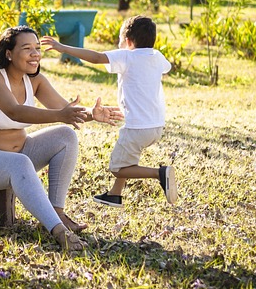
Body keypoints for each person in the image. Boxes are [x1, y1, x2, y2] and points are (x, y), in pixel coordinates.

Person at [0, 26, 123, 251]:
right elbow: (15, 111)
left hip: (18, 152)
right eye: (27, 48)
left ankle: (56, 212)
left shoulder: (35, 80)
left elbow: (65, 110)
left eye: (38, 48)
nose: (35, 54)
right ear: (9, 53)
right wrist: (60, 115)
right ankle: (58, 231)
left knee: (66, 136)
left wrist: (92, 114)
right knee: (20, 162)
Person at [41, 15, 177, 208]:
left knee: (119, 168)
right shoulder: (157, 56)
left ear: (128, 42)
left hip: (136, 128)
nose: (118, 44)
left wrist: (63, 48)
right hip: (156, 127)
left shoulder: (127, 56)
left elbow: (96, 57)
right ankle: (114, 194)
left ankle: (159, 173)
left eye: (120, 40)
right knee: (128, 159)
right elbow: (167, 69)